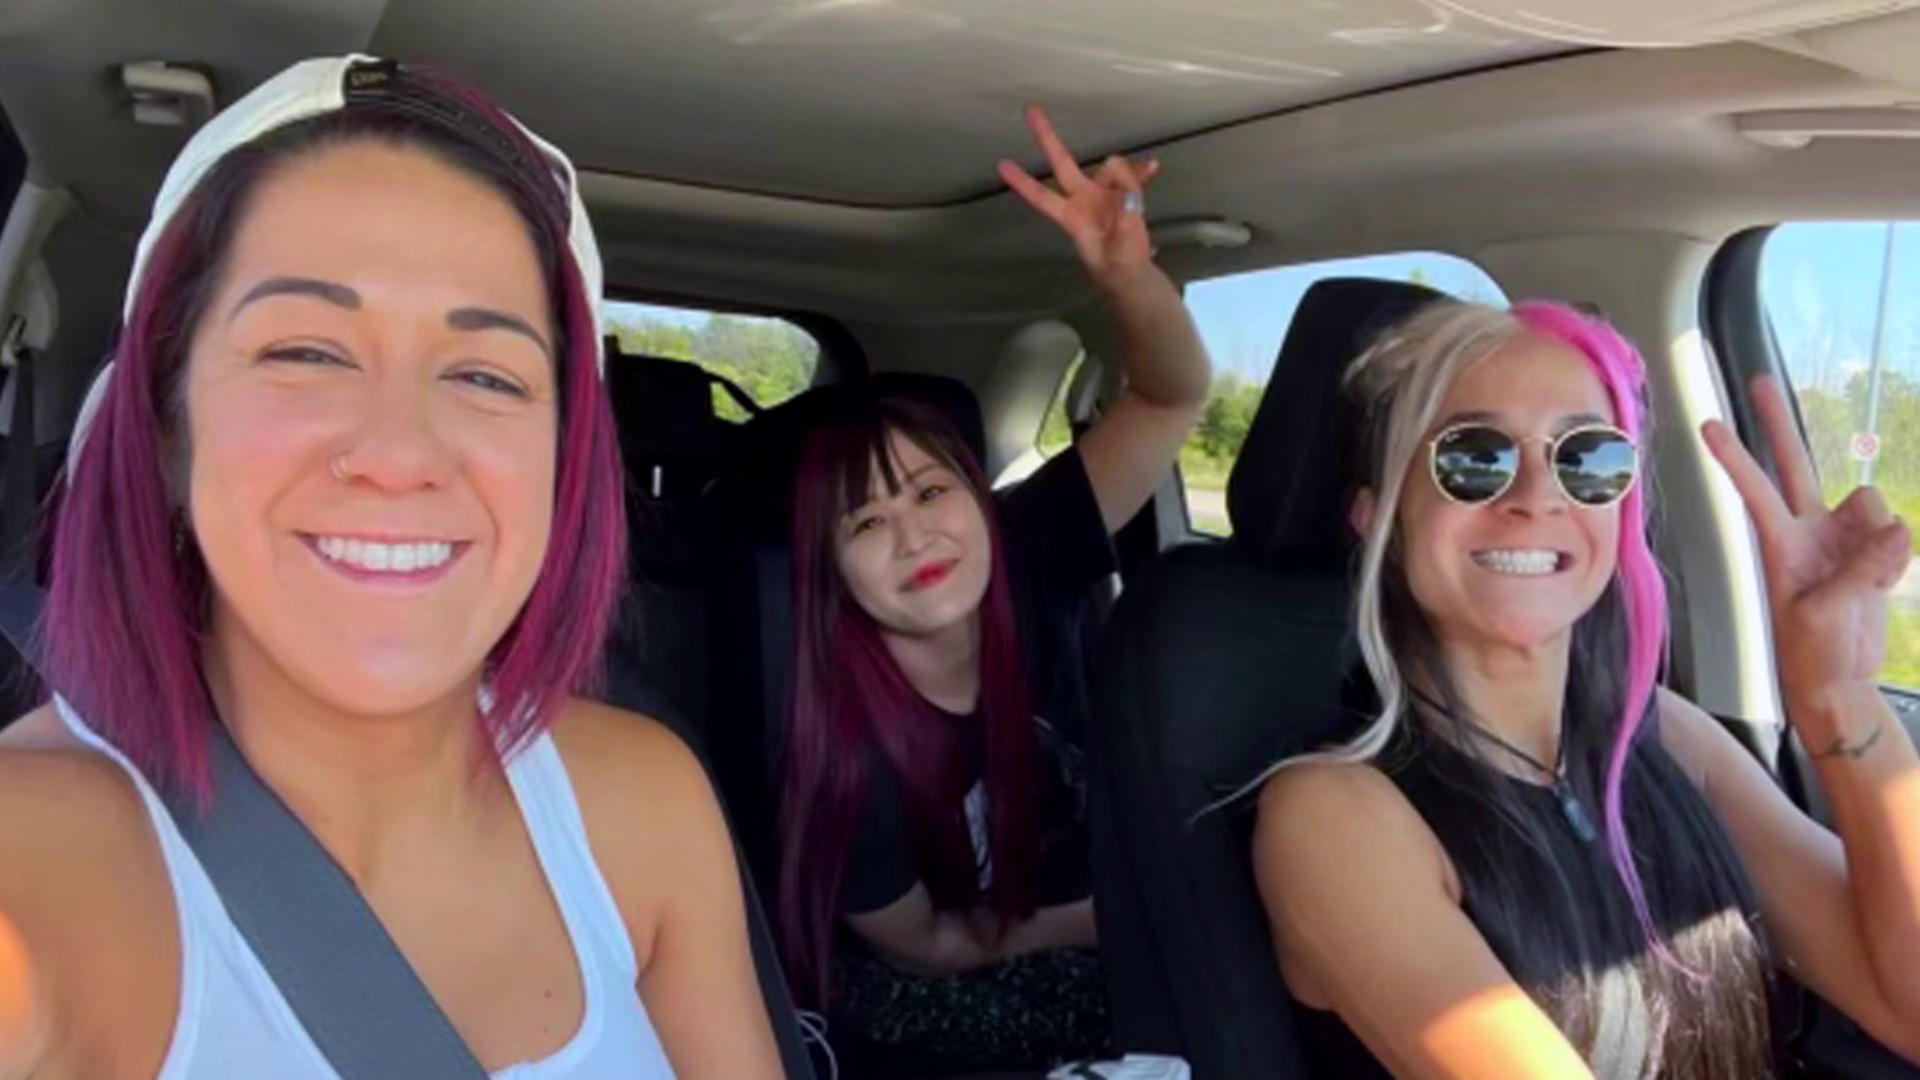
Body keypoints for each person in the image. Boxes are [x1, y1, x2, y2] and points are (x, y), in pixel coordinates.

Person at [0, 57, 781, 1079]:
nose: (401, 453)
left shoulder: (645, 804)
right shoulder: (36, 859)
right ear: (166, 427)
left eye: (485, 374)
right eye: (306, 353)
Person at [1253, 299, 1920, 1078]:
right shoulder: (1333, 816)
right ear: (1379, 517)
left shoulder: (1670, 737)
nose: (1538, 496)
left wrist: (1839, 694)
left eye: (1588, 460)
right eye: (1474, 456)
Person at [776, 107, 1212, 1071]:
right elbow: (922, 946)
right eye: (865, 522)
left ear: (980, 498)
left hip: (1066, 908)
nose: (915, 536)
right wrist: (1095, 919)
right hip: (921, 976)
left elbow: (1172, 395)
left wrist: (1128, 281)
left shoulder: (1021, 554)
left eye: (932, 492)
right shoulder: (842, 749)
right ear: (829, 568)